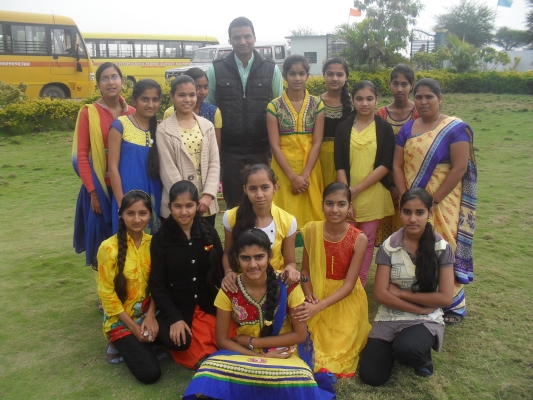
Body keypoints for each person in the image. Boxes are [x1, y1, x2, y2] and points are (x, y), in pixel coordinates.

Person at [183, 229, 335, 400]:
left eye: (259, 257)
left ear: (269, 256)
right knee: (208, 370)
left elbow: (300, 335)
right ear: (237, 259)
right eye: (245, 258)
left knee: (300, 378)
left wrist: (253, 342)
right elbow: (222, 340)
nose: (253, 264)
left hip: (282, 353)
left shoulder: (288, 285)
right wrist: (259, 356)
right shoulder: (229, 290)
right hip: (243, 354)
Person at [393, 78, 477, 324]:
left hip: (444, 201)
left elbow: (459, 168)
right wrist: (405, 198)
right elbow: (397, 166)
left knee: (444, 245)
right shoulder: (408, 129)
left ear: (440, 98)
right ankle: (419, 295)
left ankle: (451, 304)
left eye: (429, 96)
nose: (423, 101)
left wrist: (434, 201)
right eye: (419, 97)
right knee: (415, 245)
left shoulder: (455, 128)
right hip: (412, 199)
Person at [358, 188, 455, 386]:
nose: (412, 219)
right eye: (407, 212)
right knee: (371, 377)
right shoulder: (389, 246)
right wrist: (419, 308)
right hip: (391, 315)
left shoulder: (442, 248)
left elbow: (445, 298)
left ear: (429, 213)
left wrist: (402, 293)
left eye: (419, 212)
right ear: (400, 213)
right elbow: (380, 294)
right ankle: (399, 345)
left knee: (408, 349)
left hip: (426, 318)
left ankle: (421, 356)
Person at [72, 62, 135, 312]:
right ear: (98, 84)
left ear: (122, 81)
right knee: (103, 244)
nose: (111, 82)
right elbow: (81, 156)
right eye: (105, 78)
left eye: (115, 77)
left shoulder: (132, 111)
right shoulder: (89, 113)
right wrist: (93, 193)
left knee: (126, 240)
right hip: (99, 189)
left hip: (126, 187)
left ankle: (129, 291)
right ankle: (104, 294)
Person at [206, 16, 284, 209]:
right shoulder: (216, 69)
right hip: (229, 151)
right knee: (234, 206)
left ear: (254, 38)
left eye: (247, 36)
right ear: (230, 40)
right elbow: (209, 110)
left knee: (262, 204)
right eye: (237, 37)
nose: (242, 41)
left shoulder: (271, 69)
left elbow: (279, 109)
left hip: (261, 150)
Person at [295, 182, 371, 377]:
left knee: (334, 351)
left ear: (349, 207)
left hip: (344, 299)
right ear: (322, 205)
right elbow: (305, 271)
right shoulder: (311, 230)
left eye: (341, 204)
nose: (335, 210)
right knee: (302, 341)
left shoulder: (359, 238)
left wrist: (319, 306)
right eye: (329, 203)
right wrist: (309, 296)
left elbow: (349, 285)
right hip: (315, 293)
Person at [149, 181, 224, 370]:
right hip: (179, 309)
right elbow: (158, 285)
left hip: (207, 305)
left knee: (229, 338)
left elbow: (221, 271)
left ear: (197, 205)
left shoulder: (208, 232)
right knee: (183, 343)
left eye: (189, 205)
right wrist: (174, 318)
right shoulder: (160, 240)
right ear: (169, 206)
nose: (184, 212)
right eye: (178, 206)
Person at [334, 80, 395, 286]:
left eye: (369, 98)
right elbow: (339, 164)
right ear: (353, 100)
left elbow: (385, 164)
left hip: (373, 194)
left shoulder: (384, 128)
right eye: (359, 99)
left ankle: (358, 284)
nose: (365, 103)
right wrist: (346, 198)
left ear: (377, 100)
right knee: (346, 238)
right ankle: (341, 282)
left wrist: (357, 190)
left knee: (367, 240)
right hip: (347, 195)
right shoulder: (343, 128)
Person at [97, 190, 161, 384]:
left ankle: (148, 342)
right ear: (121, 215)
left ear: (150, 215)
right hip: (121, 319)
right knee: (150, 374)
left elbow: (159, 284)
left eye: (143, 213)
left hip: (150, 313)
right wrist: (134, 328)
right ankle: (116, 344)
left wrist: (150, 316)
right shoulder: (108, 248)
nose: (137, 219)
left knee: (178, 341)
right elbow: (107, 294)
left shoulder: (154, 243)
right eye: (130, 213)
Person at [221, 164, 300, 293]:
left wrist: (290, 270)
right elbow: (227, 254)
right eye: (253, 188)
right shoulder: (231, 217)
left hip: (274, 284)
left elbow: (290, 262)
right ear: (245, 189)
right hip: (241, 285)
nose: (259, 194)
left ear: (275, 187)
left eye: (265, 187)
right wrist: (229, 272)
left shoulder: (287, 221)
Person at [267, 54, 325, 229]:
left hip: (310, 168)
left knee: (313, 217)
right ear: (285, 76)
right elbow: (275, 145)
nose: (297, 78)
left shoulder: (317, 105)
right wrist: (293, 177)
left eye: (301, 73)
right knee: (283, 217)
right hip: (283, 170)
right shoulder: (274, 106)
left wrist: (304, 176)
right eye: (292, 73)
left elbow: (317, 142)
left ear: (307, 75)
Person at [157, 75, 220, 227]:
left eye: (192, 94)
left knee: (205, 240)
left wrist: (208, 194)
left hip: (205, 204)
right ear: (172, 97)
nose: (187, 99)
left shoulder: (207, 126)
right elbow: (167, 168)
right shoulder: (164, 129)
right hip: (179, 206)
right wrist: (186, 202)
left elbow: (214, 163)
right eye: (182, 95)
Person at [108, 79, 162, 234]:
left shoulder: (161, 128)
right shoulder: (120, 125)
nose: (150, 104)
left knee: (153, 242)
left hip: (155, 194)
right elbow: (112, 167)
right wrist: (121, 203)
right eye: (145, 99)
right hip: (127, 194)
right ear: (134, 100)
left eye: (155, 100)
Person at [375, 64, 420, 246]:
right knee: (387, 237)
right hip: (385, 181)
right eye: (395, 83)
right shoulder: (380, 114)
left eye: (404, 84)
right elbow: (377, 152)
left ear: (411, 86)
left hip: (413, 180)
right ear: (390, 84)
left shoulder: (419, 113)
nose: (399, 89)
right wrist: (390, 185)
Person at [162, 67, 223, 149]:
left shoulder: (213, 112)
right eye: (198, 87)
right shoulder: (170, 113)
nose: (203, 92)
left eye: (205, 87)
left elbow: (215, 148)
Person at [320, 57, 352, 187]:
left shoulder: (355, 103)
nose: (334, 78)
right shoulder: (315, 103)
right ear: (324, 76)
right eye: (330, 74)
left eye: (339, 74)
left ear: (346, 77)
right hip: (321, 159)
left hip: (348, 157)